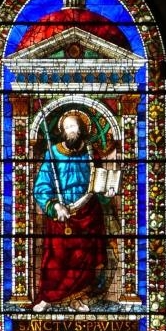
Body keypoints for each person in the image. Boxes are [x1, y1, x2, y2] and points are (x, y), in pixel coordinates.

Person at [32, 108, 114, 312]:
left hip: (87, 212)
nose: (71, 130)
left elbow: (99, 182)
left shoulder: (91, 153)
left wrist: (107, 191)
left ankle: (76, 298)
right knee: (55, 259)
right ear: (62, 131)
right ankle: (48, 297)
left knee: (83, 259)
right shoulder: (53, 153)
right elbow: (42, 185)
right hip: (61, 215)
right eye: (67, 127)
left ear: (81, 129)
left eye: (74, 126)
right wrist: (54, 205)